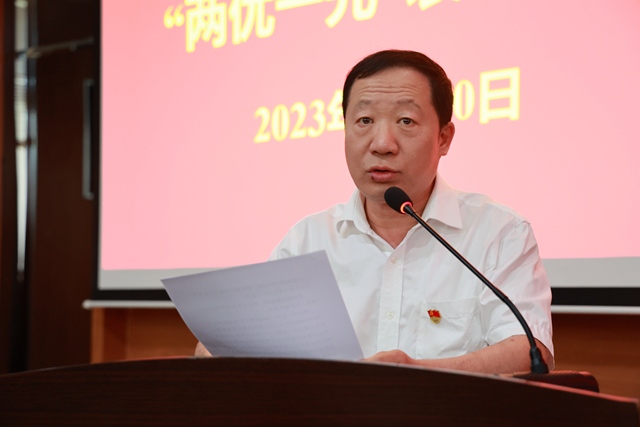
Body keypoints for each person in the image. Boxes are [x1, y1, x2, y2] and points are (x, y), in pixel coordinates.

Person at [196, 50, 553, 374]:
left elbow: (528, 350)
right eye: (364, 120)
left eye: (406, 121)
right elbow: (226, 343)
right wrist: (220, 348)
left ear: (444, 138)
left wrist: (415, 374)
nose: (382, 144)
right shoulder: (308, 239)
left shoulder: (498, 232)